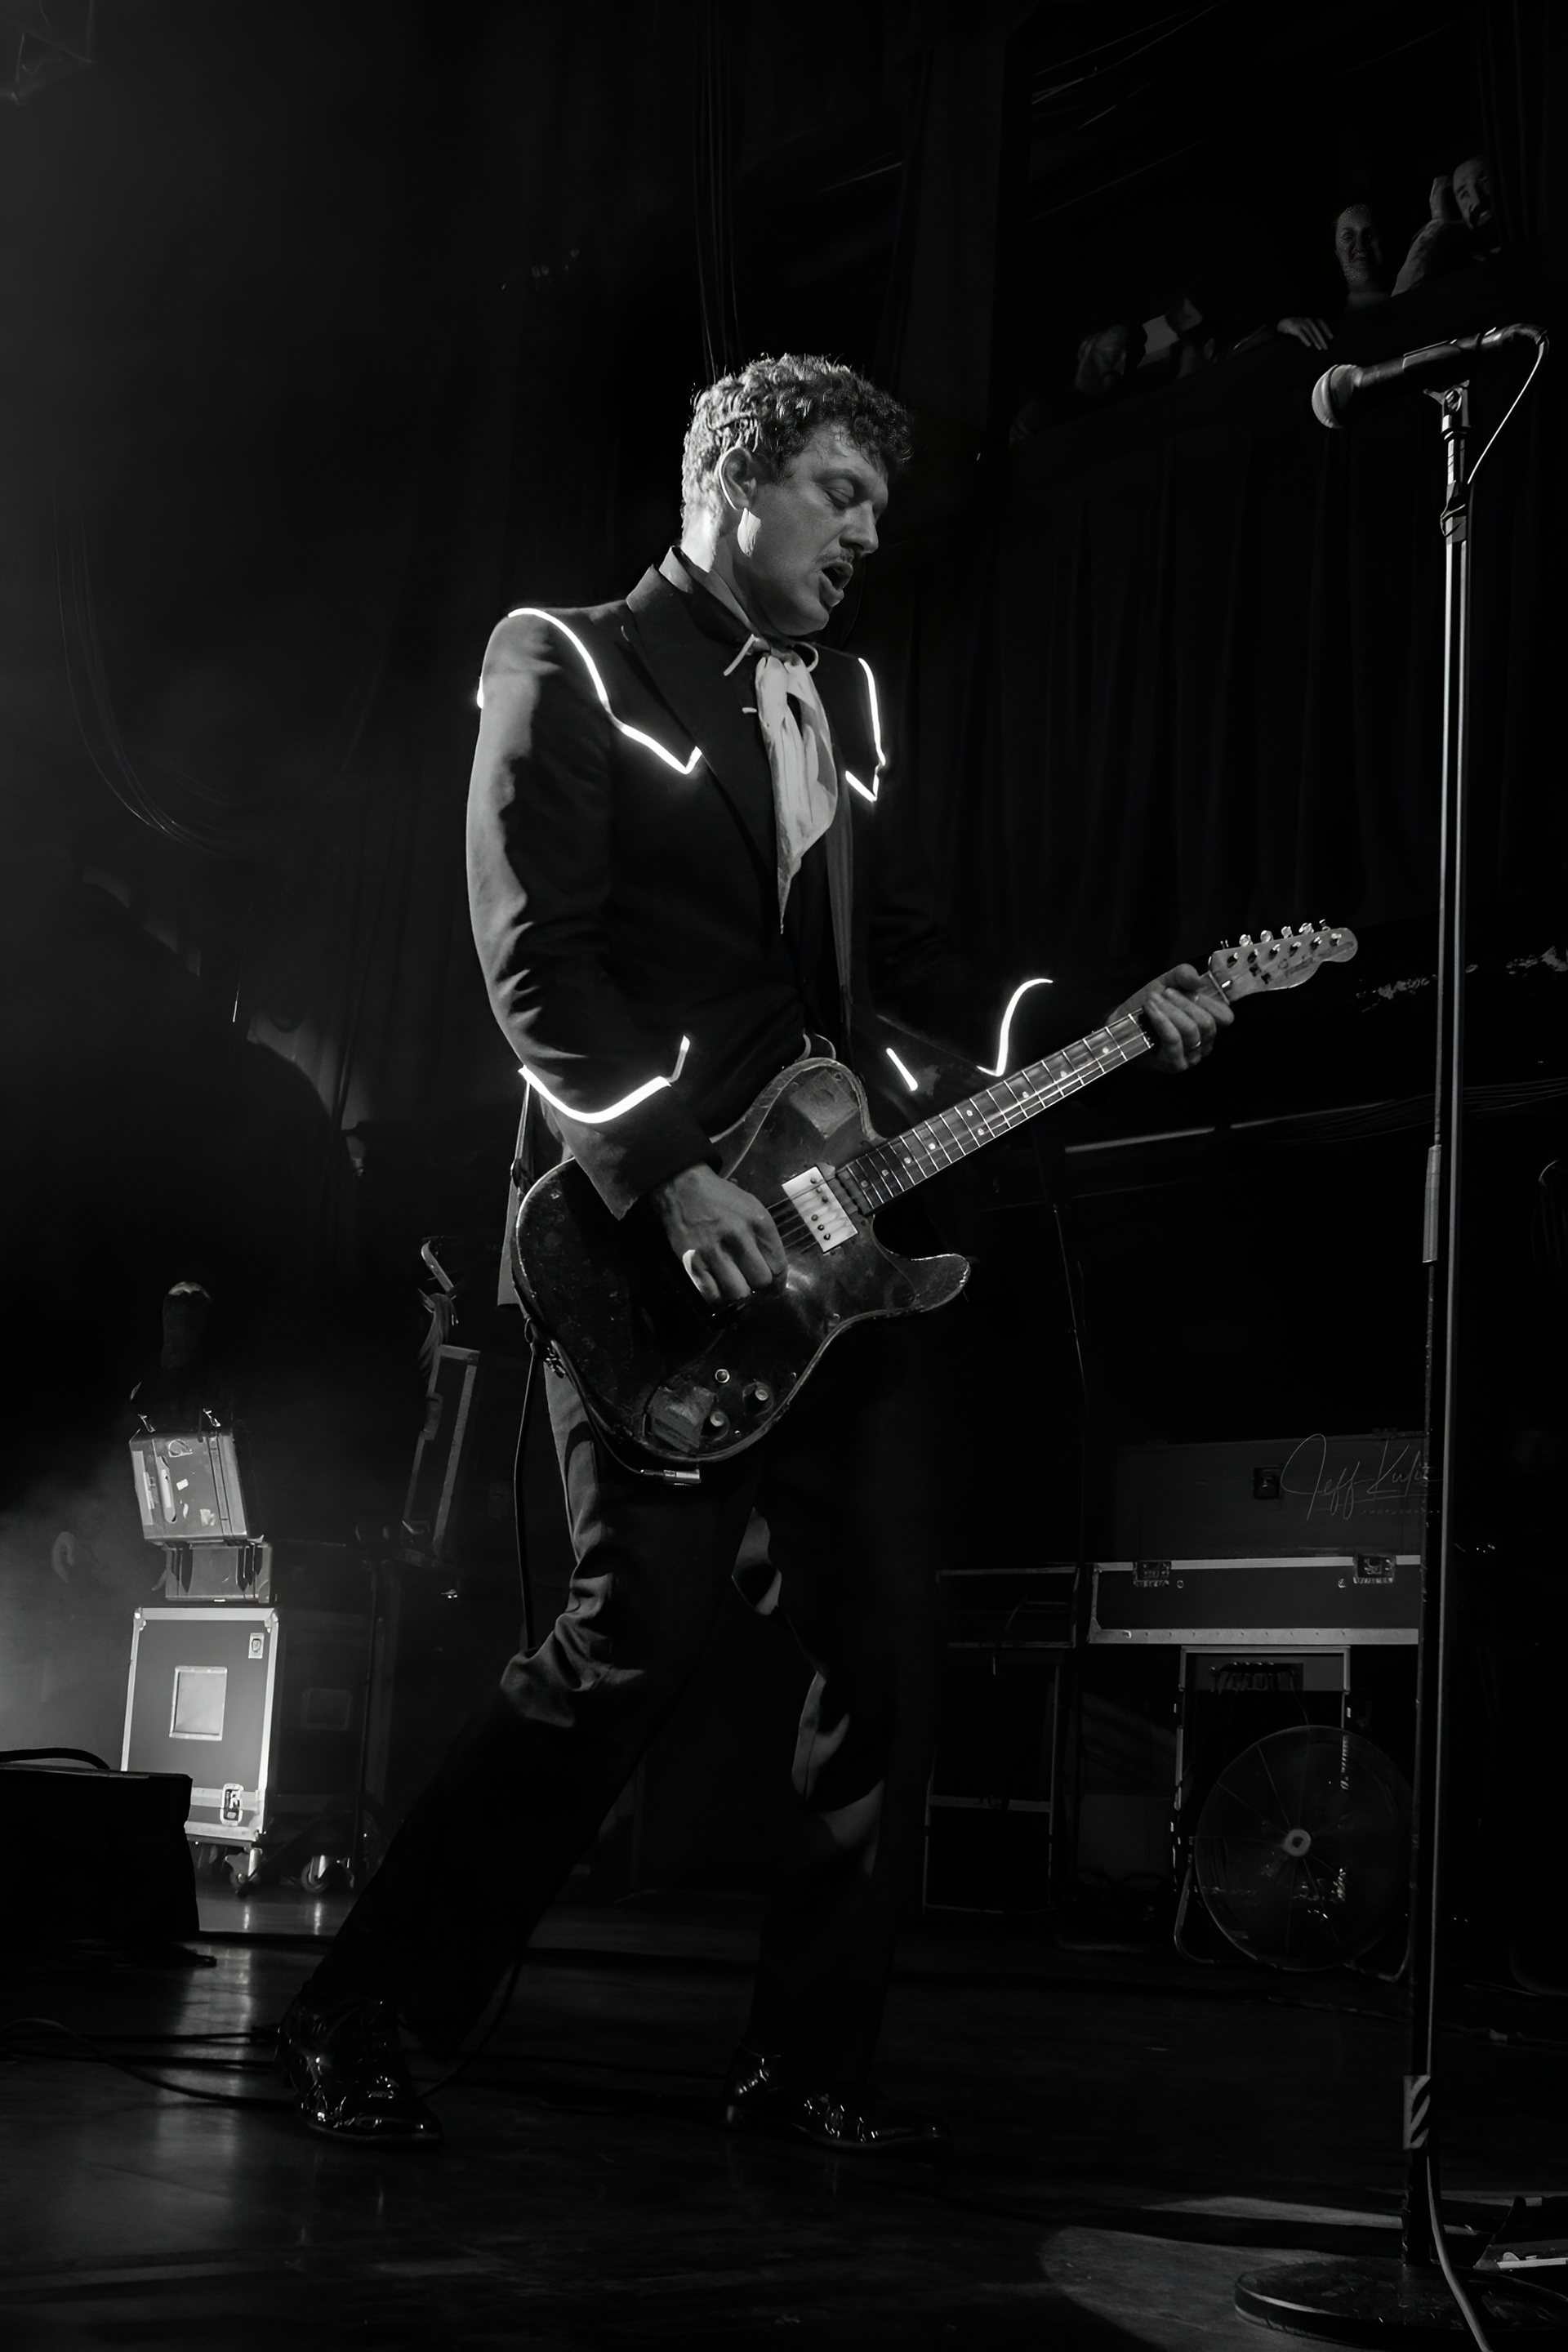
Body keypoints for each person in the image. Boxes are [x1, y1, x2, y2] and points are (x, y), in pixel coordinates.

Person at [277, 354, 1231, 2151]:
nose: (865, 534)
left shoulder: (845, 699)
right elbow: (536, 957)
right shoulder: (566, 658)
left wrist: (1114, 1015)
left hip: (833, 1259)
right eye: (838, 493)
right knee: (628, 1646)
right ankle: (366, 2011)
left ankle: (808, 2071)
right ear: (735, 481)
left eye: (877, 506)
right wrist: (664, 1178)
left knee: (883, 1663)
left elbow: (911, 967)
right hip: (637, 1245)